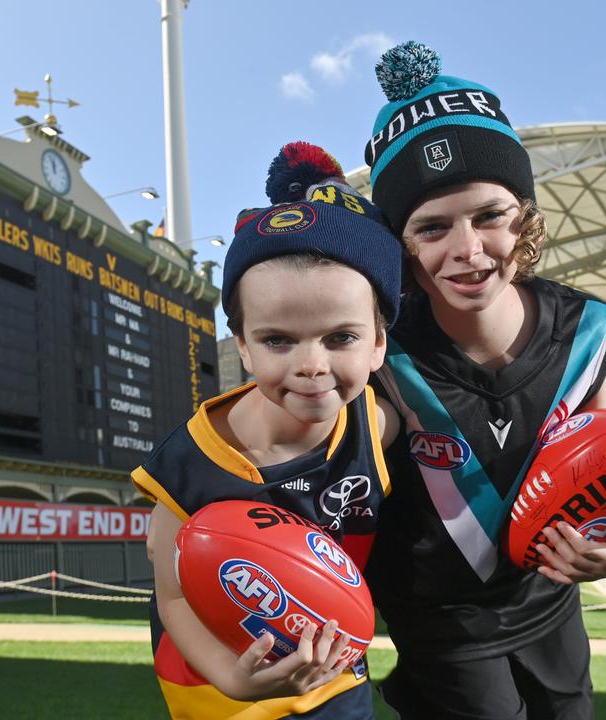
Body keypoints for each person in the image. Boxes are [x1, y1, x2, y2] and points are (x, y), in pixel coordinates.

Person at [360, 42, 606, 719]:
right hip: (441, 625)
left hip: (551, 605)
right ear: (400, 244)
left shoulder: (592, 331)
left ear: (523, 213)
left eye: (489, 214)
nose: (467, 250)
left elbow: (603, 473)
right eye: (431, 227)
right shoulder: (379, 353)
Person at [132, 142, 403, 719]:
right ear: (245, 347)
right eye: (279, 340)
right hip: (218, 696)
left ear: (379, 343)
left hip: (335, 681)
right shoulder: (189, 464)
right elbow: (174, 594)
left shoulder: (377, 424)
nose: (312, 365)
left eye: (341, 338)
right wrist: (233, 680)